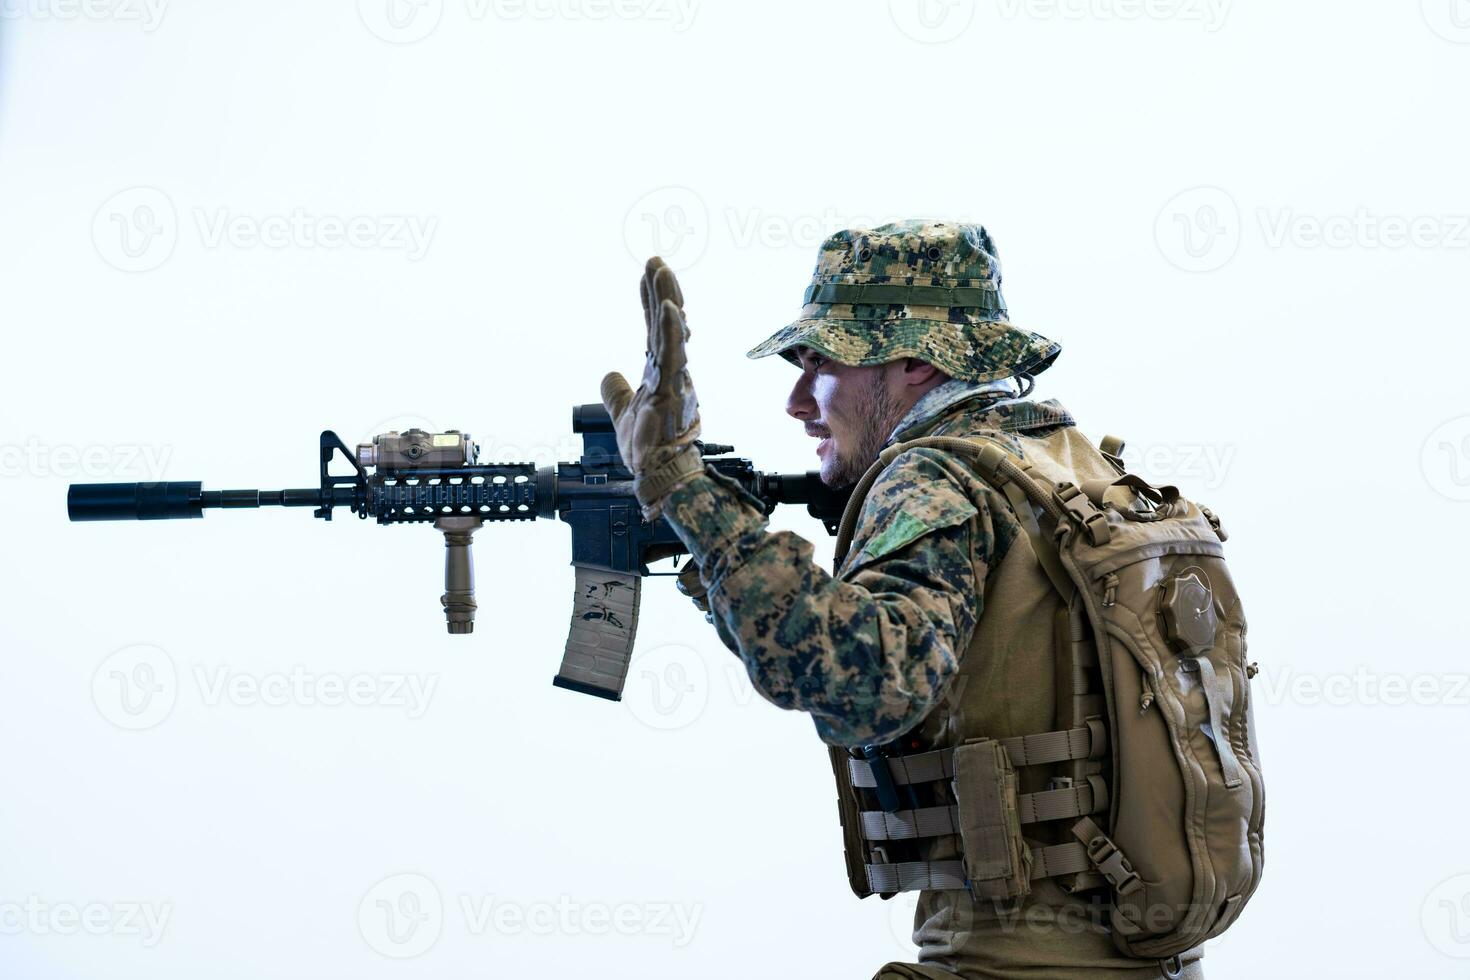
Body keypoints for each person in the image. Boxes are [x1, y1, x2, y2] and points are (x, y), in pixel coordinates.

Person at [601, 220, 1205, 979]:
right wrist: (707, 566)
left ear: (916, 359)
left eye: (820, 363)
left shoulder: (936, 478)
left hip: (1008, 965)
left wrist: (685, 490)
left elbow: (864, 686)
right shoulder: (1070, 464)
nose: (797, 400)